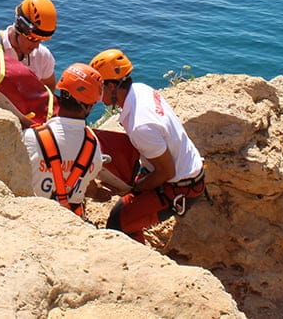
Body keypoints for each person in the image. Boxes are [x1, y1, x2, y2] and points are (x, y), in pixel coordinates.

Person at [89, 48, 207, 244]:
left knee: (118, 223)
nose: (97, 96)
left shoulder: (141, 125)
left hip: (180, 186)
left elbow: (166, 172)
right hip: (180, 167)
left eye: (99, 89)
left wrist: (134, 189)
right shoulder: (141, 90)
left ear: (111, 86)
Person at [22, 63, 104, 217]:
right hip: (72, 221)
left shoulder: (30, 137)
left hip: (32, 219)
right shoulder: (93, 146)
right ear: (89, 107)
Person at [0, 0, 57, 89]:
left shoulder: (43, 57)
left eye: (41, 40)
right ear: (20, 27)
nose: (36, 46)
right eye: (33, 39)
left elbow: (49, 86)